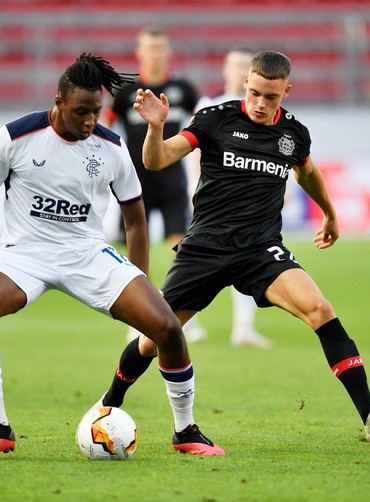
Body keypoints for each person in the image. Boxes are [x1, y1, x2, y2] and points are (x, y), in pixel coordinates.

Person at [0, 54, 224, 460]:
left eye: (95, 111)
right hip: (25, 252)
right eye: (81, 111)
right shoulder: (15, 138)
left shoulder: (110, 146)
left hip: (87, 252)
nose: (90, 120)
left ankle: (185, 430)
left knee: (166, 325)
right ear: (58, 101)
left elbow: (135, 220)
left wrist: (138, 279)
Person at [96, 51, 370, 446]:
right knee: (153, 337)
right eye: (256, 93)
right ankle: (107, 405)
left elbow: (308, 172)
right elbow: (156, 161)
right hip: (205, 247)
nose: (261, 104)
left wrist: (329, 214)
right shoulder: (215, 119)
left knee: (320, 310)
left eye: (272, 97)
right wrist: (155, 128)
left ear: (286, 92)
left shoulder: (294, 134)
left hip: (260, 249)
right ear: (246, 81)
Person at [100, 26, 207, 343]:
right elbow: (104, 126)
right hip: (135, 184)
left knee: (181, 250)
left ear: (168, 52)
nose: (155, 53)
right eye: (149, 48)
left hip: (173, 181)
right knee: (138, 251)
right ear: (140, 53)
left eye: (160, 48)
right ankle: (139, 316)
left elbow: (203, 124)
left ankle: (181, 314)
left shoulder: (183, 89)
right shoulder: (126, 90)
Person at [186, 46, 272, 349]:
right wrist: (195, 188)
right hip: (211, 200)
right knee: (197, 261)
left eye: (244, 66)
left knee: (248, 261)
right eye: (234, 65)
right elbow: (194, 150)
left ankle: (244, 329)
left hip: (249, 202)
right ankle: (183, 322)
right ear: (225, 70)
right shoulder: (210, 106)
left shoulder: (263, 112)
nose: (238, 70)